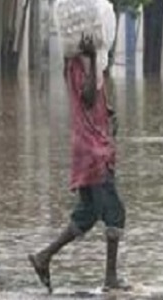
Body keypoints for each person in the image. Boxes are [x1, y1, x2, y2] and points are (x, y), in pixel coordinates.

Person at [29, 36, 127, 293]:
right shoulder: (76, 65)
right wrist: (94, 58)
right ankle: (110, 278)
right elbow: (86, 97)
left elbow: (95, 105)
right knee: (115, 212)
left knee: (88, 213)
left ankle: (44, 257)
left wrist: (108, 116)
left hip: (94, 148)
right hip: (92, 153)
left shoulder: (86, 64)